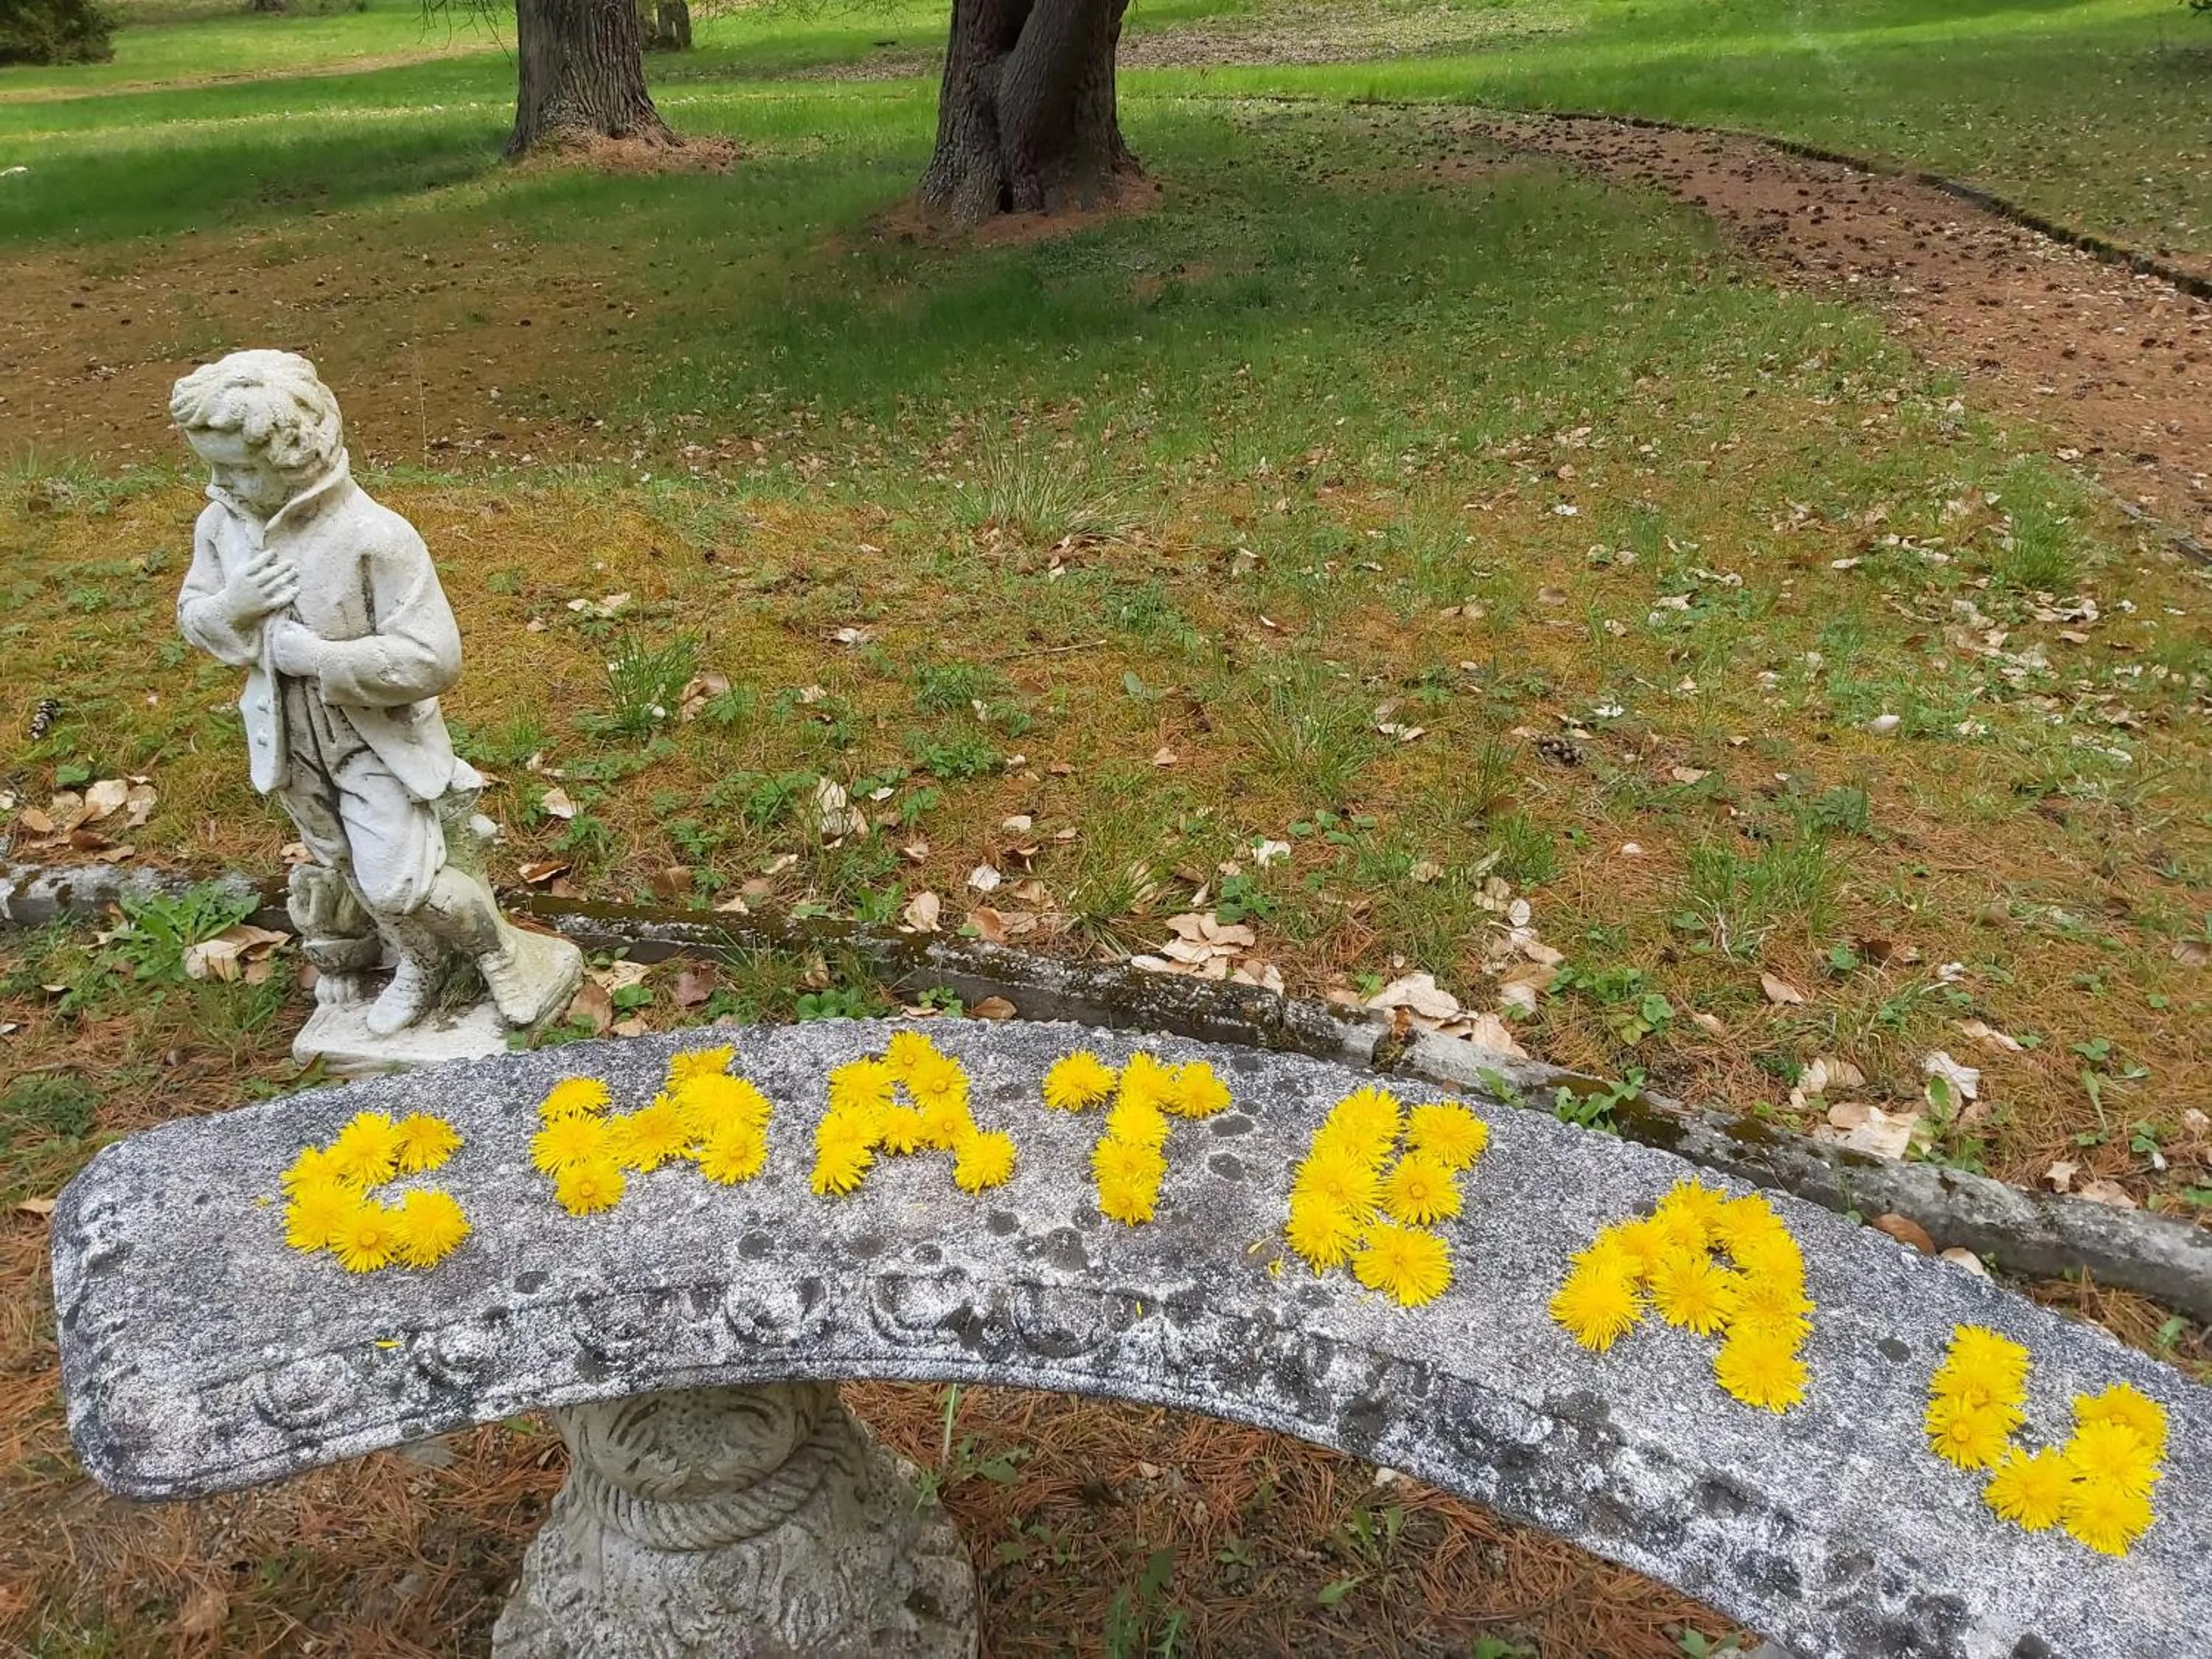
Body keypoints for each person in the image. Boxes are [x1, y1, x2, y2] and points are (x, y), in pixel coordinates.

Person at [172, 349, 579, 1039]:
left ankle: (498, 953)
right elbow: (195, 614)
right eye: (212, 466)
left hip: (372, 740)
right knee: (345, 865)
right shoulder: (220, 528)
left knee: (401, 880)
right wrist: (231, 609)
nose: (222, 483)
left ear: (297, 454)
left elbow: (432, 657)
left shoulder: (374, 537)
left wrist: (323, 658)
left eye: (241, 467)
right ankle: (417, 965)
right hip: (287, 737)